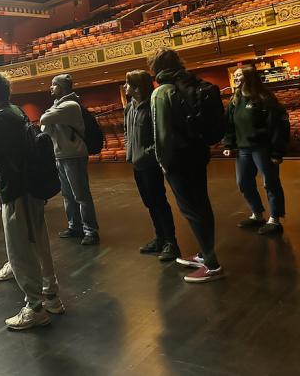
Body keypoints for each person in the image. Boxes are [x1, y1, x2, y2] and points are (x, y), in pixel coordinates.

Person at [0, 68, 63, 330]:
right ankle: (51, 297)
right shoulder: (17, 112)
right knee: (39, 243)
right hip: (30, 189)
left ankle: (34, 307)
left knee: (20, 251)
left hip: (15, 192)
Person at [149, 48, 224, 283]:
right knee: (201, 204)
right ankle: (205, 253)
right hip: (198, 153)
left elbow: (162, 135)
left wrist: (162, 163)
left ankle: (212, 266)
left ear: (155, 68)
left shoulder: (162, 92)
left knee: (192, 210)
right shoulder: (187, 84)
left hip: (179, 159)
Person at [223, 65, 290, 235]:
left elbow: (278, 127)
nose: (236, 78)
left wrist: (277, 152)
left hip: (263, 148)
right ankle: (257, 214)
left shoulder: (264, 99)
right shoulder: (235, 100)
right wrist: (229, 144)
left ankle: (275, 219)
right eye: (235, 76)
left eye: (239, 76)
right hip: (243, 149)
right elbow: (229, 125)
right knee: (243, 182)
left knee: (270, 183)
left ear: (249, 78)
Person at [124, 70, 179, 261]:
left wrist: (148, 154)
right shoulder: (129, 108)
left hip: (150, 164)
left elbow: (161, 135)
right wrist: (130, 151)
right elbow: (127, 132)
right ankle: (160, 238)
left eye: (128, 84)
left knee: (159, 202)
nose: (125, 87)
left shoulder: (152, 108)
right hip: (136, 164)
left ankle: (171, 243)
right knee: (150, 203)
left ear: (138, 88)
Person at [40, 74, 99, 245]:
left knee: (81, 195)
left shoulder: (71, 105)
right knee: (67, 195)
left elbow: (44, 119)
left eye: (54, 85)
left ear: (63, 87)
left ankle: (91, 231)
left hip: (74, 154)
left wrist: (49, 116)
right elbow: (45, 129)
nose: (50, 87)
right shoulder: (57, 106)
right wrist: (50, 116)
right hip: (60, 154)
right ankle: (75, 227)